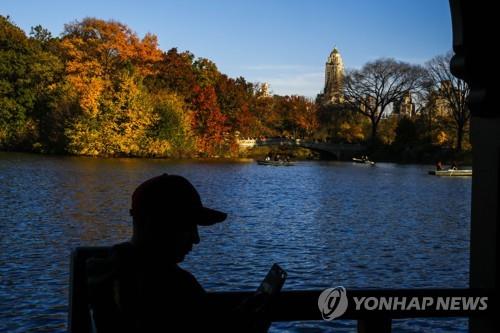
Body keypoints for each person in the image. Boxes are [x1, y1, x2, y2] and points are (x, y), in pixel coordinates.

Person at [86, 174, 272, 332]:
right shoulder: (170, 284)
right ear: (154, 225)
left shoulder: (110, 269)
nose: (196, 238)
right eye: (187, 227)